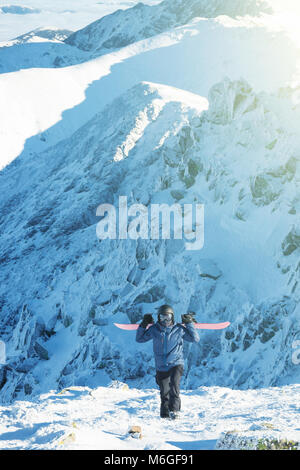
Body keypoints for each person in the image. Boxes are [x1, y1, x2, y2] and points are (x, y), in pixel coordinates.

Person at [136, 304, 199, 419]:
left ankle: (175, 411)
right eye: (163, 318)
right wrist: (144, 324)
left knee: (174, 385)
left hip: (176, 363)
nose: (165, 320)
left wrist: (189, 323)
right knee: (164, 391)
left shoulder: (179, 329)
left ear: (172, 317)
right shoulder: (154, 329)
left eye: (168, 317)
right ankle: (165, 415)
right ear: (159, 318)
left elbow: (195, 339)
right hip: (161, 365)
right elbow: (139, 339)